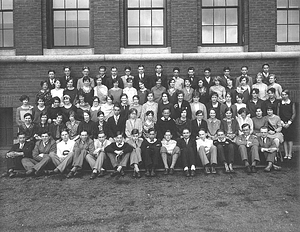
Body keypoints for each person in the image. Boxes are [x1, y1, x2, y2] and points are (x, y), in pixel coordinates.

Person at [278, 89, 296, 160]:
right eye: (282, 95)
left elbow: (294, 113)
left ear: (288, 95)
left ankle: (290, 153)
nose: (284, 96)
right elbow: (278, 113)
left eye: (285, 94)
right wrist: (282, 122)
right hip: (282, 123)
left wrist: (289, 122)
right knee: (284, 139)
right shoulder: (280, 103)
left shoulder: (291, 103)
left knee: (290, 139)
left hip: (290, 123)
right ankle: (285, 154)